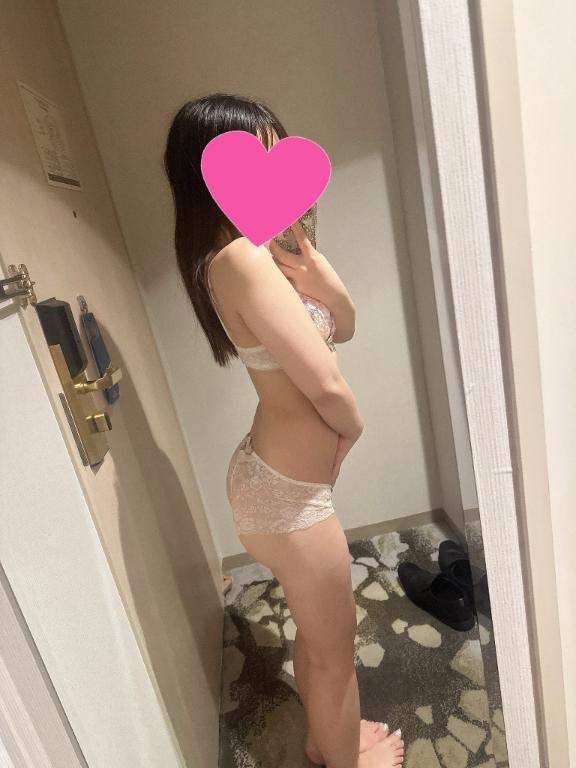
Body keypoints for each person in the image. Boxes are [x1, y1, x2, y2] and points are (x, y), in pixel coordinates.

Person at [164, 92, 405, 768]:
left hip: (280, 481)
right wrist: (350, 431)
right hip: (287, 498)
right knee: (335, 649)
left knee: (322, 637)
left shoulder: (265, 253)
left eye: (277, 149)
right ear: (211, 172)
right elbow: (326, 386)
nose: (274, 168)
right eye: (259, 154)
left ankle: (326, 739)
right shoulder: (240, 259)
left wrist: (325, 278)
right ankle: (345, 761)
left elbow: (341, 330)